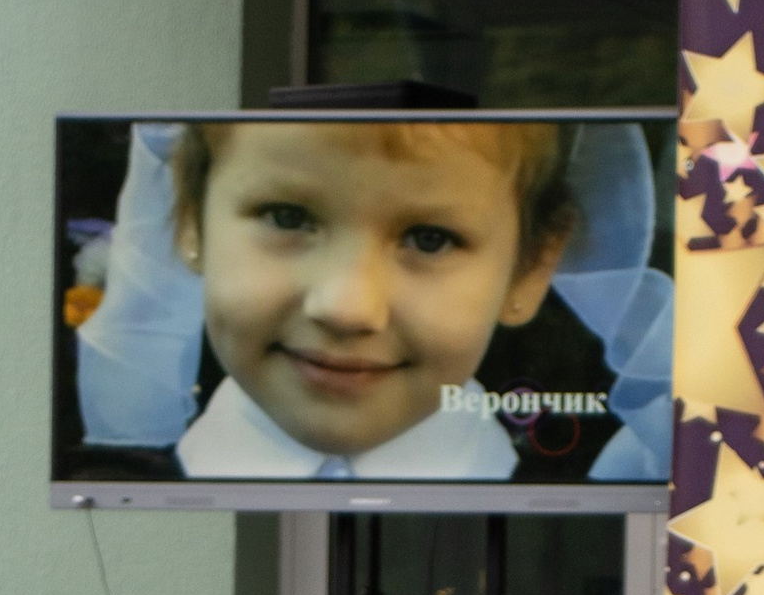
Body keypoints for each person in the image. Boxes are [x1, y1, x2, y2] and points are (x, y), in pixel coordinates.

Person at [67, 113, 675, 490]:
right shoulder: (114, 479)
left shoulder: (610, 481)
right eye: (288, 216)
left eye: (429, 239)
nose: (348, 307)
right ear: (191, 223)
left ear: (531, 267)